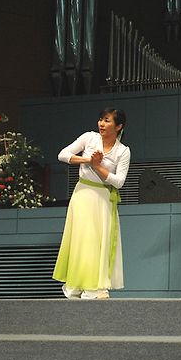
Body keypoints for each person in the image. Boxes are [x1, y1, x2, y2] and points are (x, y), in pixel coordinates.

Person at [53, 107, 130, 299]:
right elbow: (63, 155)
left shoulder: (123, 151)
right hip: (83, 194)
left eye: (107, 121)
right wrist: (88, 160)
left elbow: (119, 182)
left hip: (103, 199)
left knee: (98, 241)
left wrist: (98, 167)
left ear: (119, 126)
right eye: (101, 119)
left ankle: (95, 286)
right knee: (82, 239)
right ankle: (76, 285)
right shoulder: (89, 138)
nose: (101, 124)